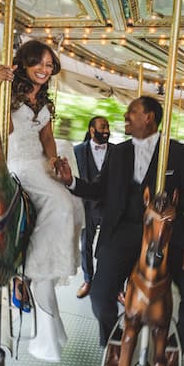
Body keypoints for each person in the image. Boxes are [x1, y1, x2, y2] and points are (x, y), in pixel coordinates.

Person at [56, 96, 184, 356]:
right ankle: (111, 342)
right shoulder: (118, 152)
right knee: (100, 295)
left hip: (166, 235)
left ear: (149, 117)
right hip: (124, 232)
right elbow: (99, 189)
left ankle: (179, 347)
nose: (126, 117)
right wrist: (72, 181)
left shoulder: (179, 153)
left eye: (132, 112)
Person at [0, 40, 85, 362]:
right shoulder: (8, 92)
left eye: (49, 65)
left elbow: (46, 137)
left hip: (40, 162)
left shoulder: (42, 99)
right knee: (60, 203)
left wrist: (56, 160)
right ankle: (33, 265)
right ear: (25, 63)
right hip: (17, 163)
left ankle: (40, 261)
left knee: (71, 204)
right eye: (39, 64)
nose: (45, 70)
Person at [74, 116, 113, 299]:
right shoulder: (77, 151)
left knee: (109, 246)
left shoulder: (116, 151)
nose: (106, 130)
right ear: (91, 130)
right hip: (86, 205)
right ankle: (88, 279)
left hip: (108, 205)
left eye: (107, 126)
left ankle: (112, 284)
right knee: (85, 245)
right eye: (102, 126)